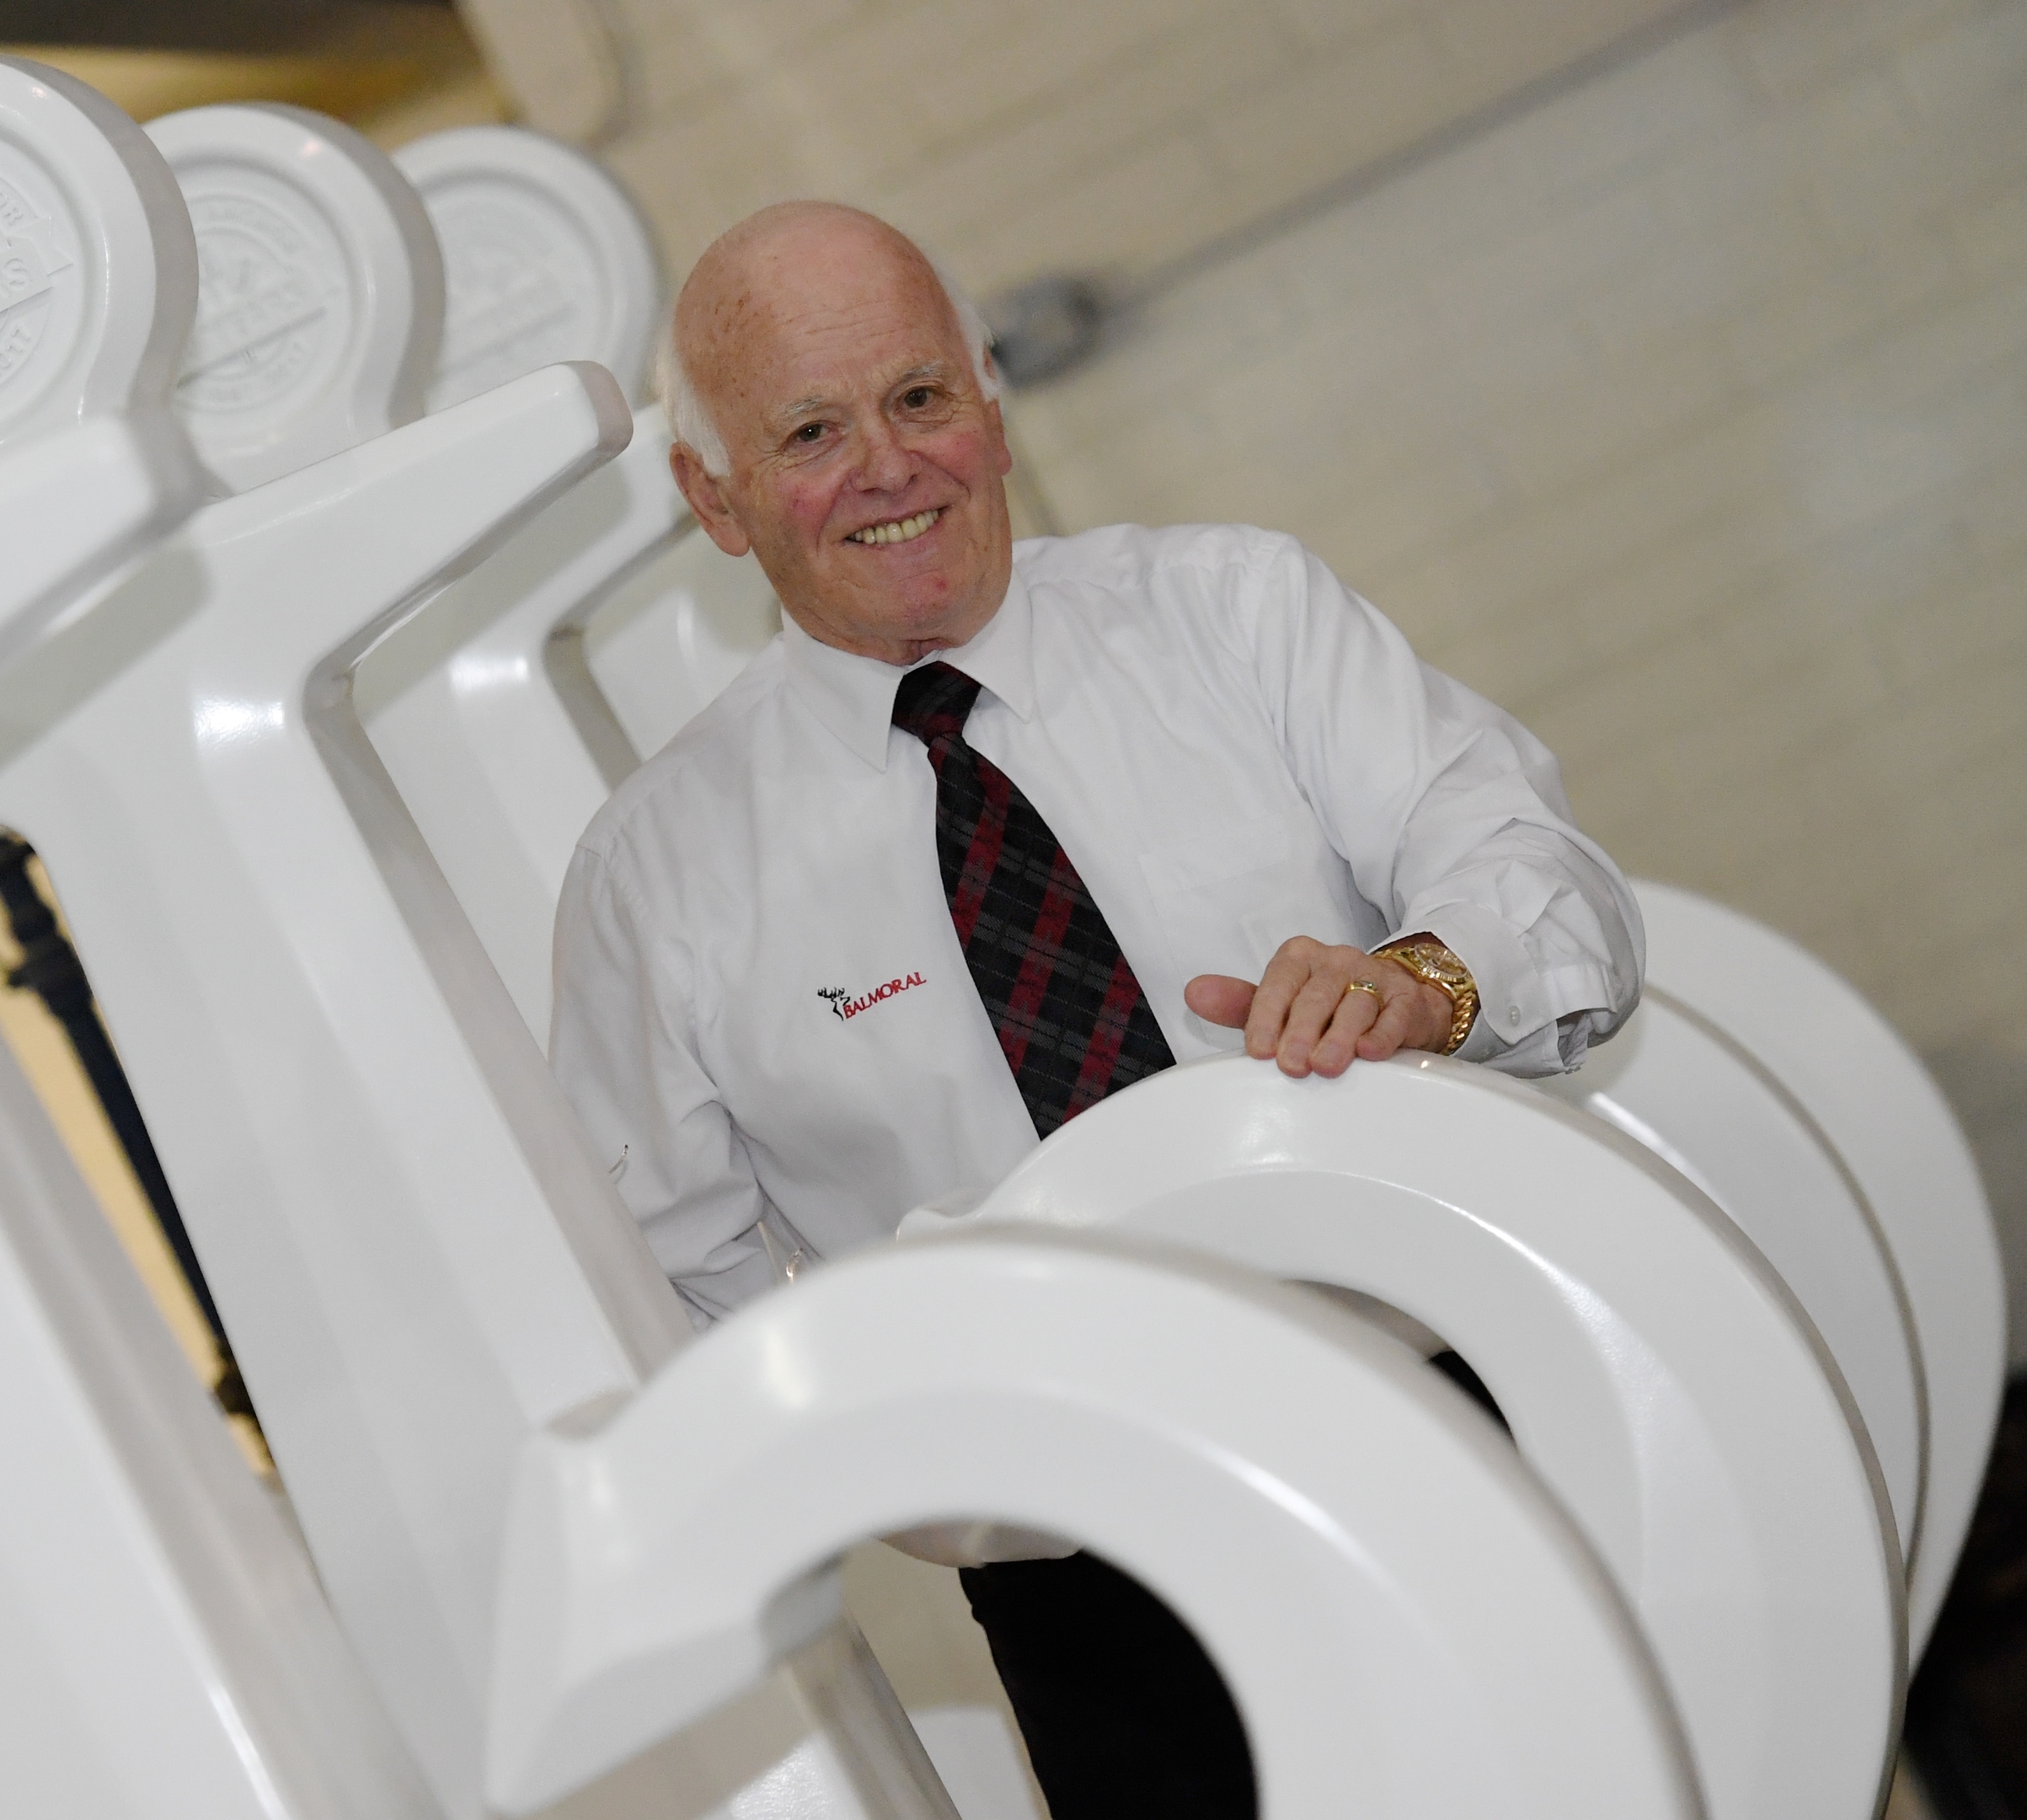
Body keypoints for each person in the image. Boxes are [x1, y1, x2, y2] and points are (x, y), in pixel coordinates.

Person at [547, 201, 1641, 1820]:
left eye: (920, 398)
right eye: (809, 432)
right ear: (714, 498)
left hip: (1468, 1443)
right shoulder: (657, 880)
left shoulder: (1236, 615)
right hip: (1098, 1620)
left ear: (990, 403)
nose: (890, 466)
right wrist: (880, 1399)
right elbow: (668, 1298)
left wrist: (1421, 981)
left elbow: (1537, 877)